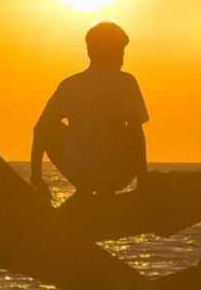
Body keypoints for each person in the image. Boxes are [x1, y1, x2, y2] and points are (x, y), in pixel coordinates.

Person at [30, 22, 148, 201]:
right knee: (131, 128)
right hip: (116, 174)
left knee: (49, 128)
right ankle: (98, 189)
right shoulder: (126, 82)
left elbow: (40, 130)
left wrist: (36, 177)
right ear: (94, 52)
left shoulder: (70, 85)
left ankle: (85, 189)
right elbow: (136, 132)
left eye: (121, 52)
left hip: (86, 171)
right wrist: (143, 177)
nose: (121, 58)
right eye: (118, 52)